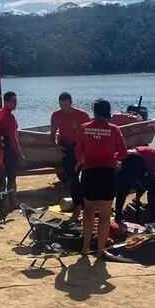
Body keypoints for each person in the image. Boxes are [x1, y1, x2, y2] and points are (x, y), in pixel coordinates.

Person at [76, 99, 127, 258]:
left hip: (89, 173)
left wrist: (84, 160)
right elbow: (124, 152)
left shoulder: (84, 128)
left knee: (88, 211)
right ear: (108, 112)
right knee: (105, 214)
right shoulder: (114, 129)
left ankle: (85, 248)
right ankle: (100, 250)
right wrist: (113, 159)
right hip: (107, 173)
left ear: (95, 111)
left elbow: (78, 151)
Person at [50, 92, 90, 221]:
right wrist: (56, 147)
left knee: (83, 177)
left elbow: (89, 137)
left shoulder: (82, 115)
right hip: (66, 148)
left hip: (80, 147)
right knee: (72, 178)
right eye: (61, 106)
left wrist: (83, 154)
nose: (64, 108)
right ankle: (78, 205)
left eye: (66, 105)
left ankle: (83, 205)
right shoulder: (56, 115)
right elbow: (52, 135)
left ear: (71, 103)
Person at [0, 91, 24, 208]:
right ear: (6, 102)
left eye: (16, 101)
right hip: (8, 150)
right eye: (13, 101)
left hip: (0, 149)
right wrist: (20, 154)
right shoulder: (10, 117)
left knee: (1, 176)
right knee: (11, 177)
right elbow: (13, 139)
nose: (15, 104)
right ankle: (13, 201)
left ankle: (1, 200)